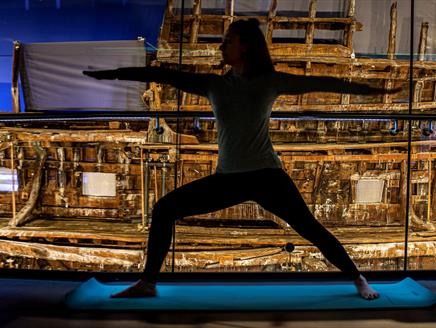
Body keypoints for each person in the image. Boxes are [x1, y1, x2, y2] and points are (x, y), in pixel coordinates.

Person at [84, 18, 399, 300]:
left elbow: (325, 83)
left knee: (311, 229)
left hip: (267, 176)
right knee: (164, 209)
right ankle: (148, 283)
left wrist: (376, 92)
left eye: (228, 41)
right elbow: (161, 75)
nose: (221, 46)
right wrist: (112, 75)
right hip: (229, 179)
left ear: (245, 47)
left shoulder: (270, 82)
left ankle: (359, 280)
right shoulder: (214, 85)